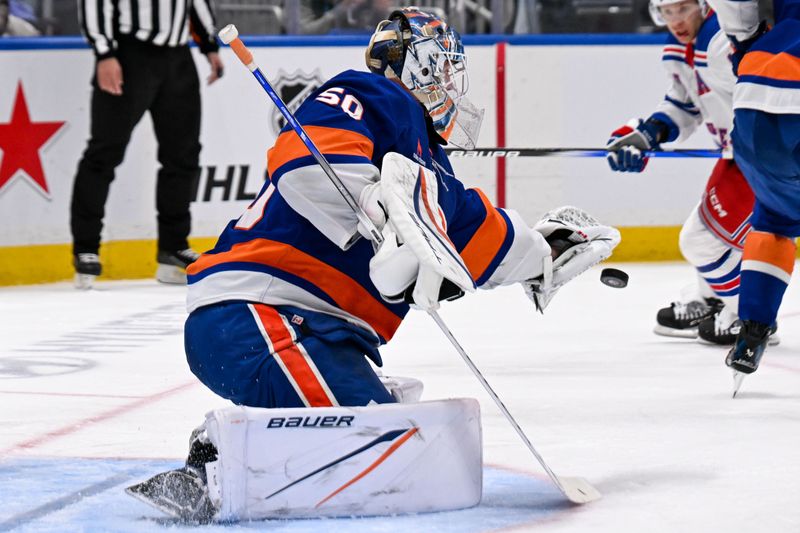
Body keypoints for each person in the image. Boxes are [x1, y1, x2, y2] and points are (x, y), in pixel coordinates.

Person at [126, 8, 620, 521]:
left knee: (394, 443)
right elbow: (305, 167)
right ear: (421, 67)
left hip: (309, 330)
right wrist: (375, 205)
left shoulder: (425, 167)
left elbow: (468, 238)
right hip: (257, 316)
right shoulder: (373, 96)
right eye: (445, 69)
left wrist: (541, 252)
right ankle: (217, 469)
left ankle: (220, 450)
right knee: (383, 455)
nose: (451, 83)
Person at [606, 0, 777, 346]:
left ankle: (752, 319)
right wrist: (648, 133)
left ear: (703, 5)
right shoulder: (686, 46)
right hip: (742, 156)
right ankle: (712, 299)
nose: (675, 21)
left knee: (701, 240)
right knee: (710, 231)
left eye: (682, 9)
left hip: (765, 156)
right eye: (666, 12)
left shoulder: (722, 41)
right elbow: (684, 102)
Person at [70, 0, 224, 289]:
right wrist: (104, 52)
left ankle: (173, 246)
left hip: (178, 58)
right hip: (130, 55)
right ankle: (86, 247)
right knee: (104, 153)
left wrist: (209, 44)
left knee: (183, 155)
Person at [703, 0, 799, 391]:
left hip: (752, 94)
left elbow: (736, 10)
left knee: (775, 220)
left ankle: (753, 332)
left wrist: (743, 51)